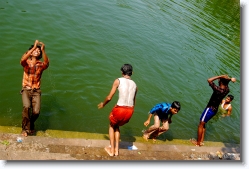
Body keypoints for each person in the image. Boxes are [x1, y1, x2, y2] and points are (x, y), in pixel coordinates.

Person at [97, 64, 137, 156]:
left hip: (120, 109)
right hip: (130, 110)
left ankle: (111, 150)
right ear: (132, 73)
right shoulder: (135, 85)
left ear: (122, 72)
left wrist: (103, 104)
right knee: (117, 127)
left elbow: (109, 97)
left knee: (111, 126)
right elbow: (134, 101)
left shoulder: (118, 80)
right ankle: (117, 150)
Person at [191, 75, 236, 146]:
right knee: (204, 124)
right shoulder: (227, 90)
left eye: (219, 80)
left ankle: (198, 143)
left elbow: (209, 80)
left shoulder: (218, 90)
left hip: (209, 109)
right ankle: (201, 141)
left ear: (221, 81)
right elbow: (225, 83)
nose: (218, 81)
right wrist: (230, 79)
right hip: (214, 110)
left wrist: (220, 76)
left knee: (201, 124)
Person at [20, 40, 49, 137]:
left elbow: (47, 63)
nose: (37, 51)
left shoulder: (40, 64)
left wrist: (43, 50)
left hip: (36, 91)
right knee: (27, 107)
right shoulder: (26, 63)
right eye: (35, 50)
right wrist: (34, 47)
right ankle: (25, 129)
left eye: (38, 51)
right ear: (30, 52)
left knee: (36, 112)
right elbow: (23, 59)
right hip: (26, 90)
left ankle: (30, 124)